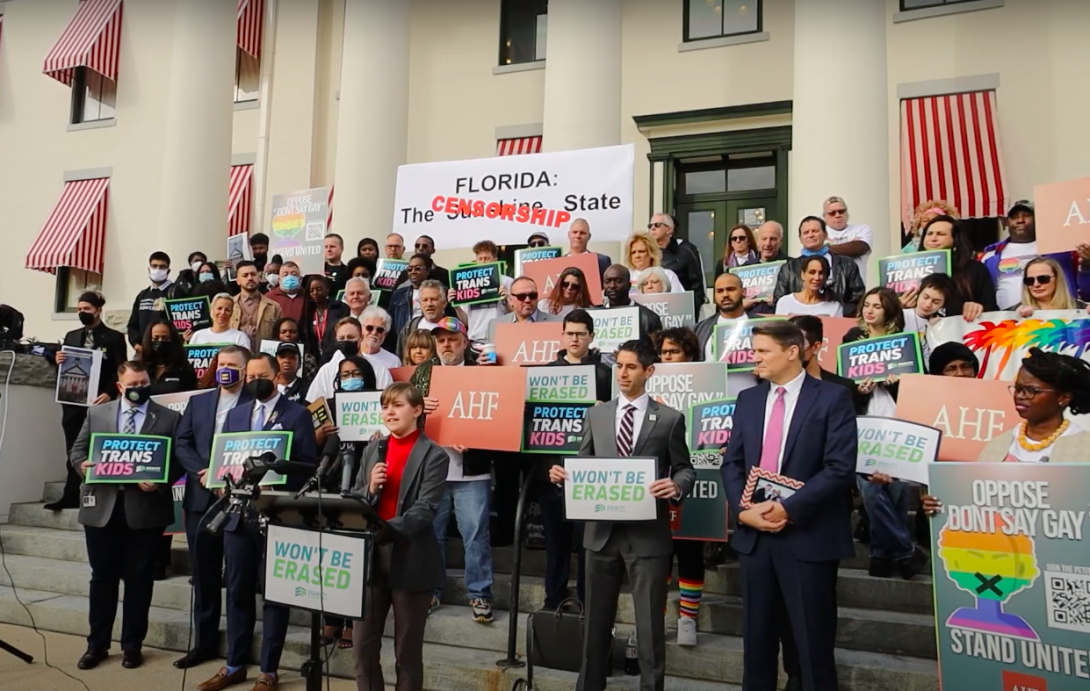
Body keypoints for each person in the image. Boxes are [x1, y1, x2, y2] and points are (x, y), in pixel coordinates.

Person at [548, 339, 694, 691]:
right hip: (600, 534)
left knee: (649, 627)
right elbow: (582, 463)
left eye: (631, 367)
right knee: (595, 624)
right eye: (619, 367)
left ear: (649, 371)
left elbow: (685, 469)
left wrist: (675, 486)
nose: (623, 373)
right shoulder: (596, 414)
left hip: (647, 537)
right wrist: (562, 477)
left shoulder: (670, 419)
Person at [721, 321, 857, 691]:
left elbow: (840, 468)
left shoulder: (832, 397)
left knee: (812, 648)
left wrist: (789, 508)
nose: (755, 358)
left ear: (792, 352)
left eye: (763, 351)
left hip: (808, 538)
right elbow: (732, 463)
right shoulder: (748, 400)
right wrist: (742, 510)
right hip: (755, 538)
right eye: (754, 350)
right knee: (757, 646)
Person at [200, 353, 318, 691]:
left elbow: (308, 464)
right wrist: (218, 474)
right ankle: (235, 664)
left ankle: (269, 670)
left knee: (274, 595)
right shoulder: (236, 414)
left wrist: (278, 473)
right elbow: (226, 458)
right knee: (237, 591)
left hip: (278, 516)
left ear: (275, 375)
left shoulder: (296, 414)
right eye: (249, 375)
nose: (254, 380)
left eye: (260, 374)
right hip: (238, 517)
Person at [69, 361, 183, 670]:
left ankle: (133, 645)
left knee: (139, 580)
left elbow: (177, 461)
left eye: (144, 383)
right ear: (120, 387)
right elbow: (77, 452)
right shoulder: (97, 413)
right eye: (133, 385)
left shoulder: (169, 418)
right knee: (102, 578)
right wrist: (82, 467)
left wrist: (160, 480)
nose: (139, 389)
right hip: (102, 509)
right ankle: (97, 645)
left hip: (144, 512)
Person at [350, 382, 449, 691]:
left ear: (417, 411)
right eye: (385, 406)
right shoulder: (372, 449)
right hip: (370, 559)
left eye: (397, 405)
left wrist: (389, 531)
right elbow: (355, 498)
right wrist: (370, 488)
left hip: (410, 556)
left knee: (406, 654)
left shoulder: (434, 455)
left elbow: (426, 509)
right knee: (362, 648)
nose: (389, 412)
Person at [922, 350, 1090, 521]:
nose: (1020, 396)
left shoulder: (1084, 448)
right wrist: (941, 505)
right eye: (1018, 388)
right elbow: (975, 504)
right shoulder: (998, 445)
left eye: (1031, 390)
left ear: (1063, 398)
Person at [174, 345, 252, 670]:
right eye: (222, 364)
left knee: (238, 580)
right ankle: (203, 644)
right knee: (204, 578)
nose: (225, 370)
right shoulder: (199, 401)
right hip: (201, 500)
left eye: (233, 365)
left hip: (241, 502)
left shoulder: (255, 403)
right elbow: (182, 441)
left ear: (245, 371)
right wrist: (203, 472)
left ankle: (238, 651)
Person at [416, 318, 495, 623]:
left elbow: (496, 416)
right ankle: (432, 589)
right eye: (441, 340)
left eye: (452, 339)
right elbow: (403, 414)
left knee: (475, 534)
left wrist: (472, 438)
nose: (447, 345)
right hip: (434, 470)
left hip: (472, 470)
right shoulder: (424, 373)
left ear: (465, 342)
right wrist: (420, 406)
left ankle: (479, 594)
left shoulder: (483, 372)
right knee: (431, 534)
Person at [535, 309, 612, 610]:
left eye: (581, 333)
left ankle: (585, 603)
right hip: (553, 472)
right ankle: (552, 601)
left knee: (586, 545)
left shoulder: (605, 375)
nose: (575, 338)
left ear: (591, 336)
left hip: (590, 474)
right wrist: (546, 470)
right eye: (570, 333)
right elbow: (537, 429)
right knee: (556, 545)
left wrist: (602, 411)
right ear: (562, 335)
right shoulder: (546, 373)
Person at [650, 328, 709, 647]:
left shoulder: (706, 382)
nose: (666, 358)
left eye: (673, 352)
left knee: (689, 550)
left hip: (696, 475)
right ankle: (656, 615)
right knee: (657, 555)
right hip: (656, 479)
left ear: (689, 353)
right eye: (663, 352)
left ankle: (688, 618)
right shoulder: (650, 385)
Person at [46, 292, 127, 511]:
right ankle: (70, 494)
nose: (83, 313)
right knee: (73, 448)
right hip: (73, 402)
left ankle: (101, 495)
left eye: (87, 309)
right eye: (79, 309)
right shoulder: (71, 336)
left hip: (100, 401)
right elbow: (65, 365)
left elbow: (120, 369)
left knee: (98, 447)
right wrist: (58, 360)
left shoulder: (114, 337)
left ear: (98, 310)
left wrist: (111, 393)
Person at [981, 199, 1090, 310]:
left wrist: (1087, 264)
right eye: (1014, 217)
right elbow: (984, 297)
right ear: (1007, 222)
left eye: (1026, 215)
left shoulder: (1060, 251)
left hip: (1060, 319)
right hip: (1010, 321)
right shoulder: (991, 257)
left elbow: (1086, 290)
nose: (1020, 220)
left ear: (1038, 219)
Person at [774, 216, 866, 317]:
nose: (811, 235)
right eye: (806, 232)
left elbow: (857, 296)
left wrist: (837, 314)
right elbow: (780, 298)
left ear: (825, 234)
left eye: (815, 231)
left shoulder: (847, 264)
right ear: (800, 238)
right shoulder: (788, 268)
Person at [917, 215, 997, 319]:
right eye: (929, 234)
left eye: (941, 234)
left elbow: (992, 309)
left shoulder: (975, 269)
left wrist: (978, 308)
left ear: (955, 239)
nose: (933, 238)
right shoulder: (909, 268)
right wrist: (899, 304)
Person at [844, 288, 905, 417]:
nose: (869, 311)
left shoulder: (903, 341)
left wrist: (895, 386)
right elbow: (842, 380)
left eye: (877, 307)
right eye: (866, 305)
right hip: (862, 411)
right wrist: (859, 391)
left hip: (893, 410)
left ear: (889, 311)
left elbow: (917, 387)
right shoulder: (852, 337)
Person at [789, 316, 866, 414]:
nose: (791, 352)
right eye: (784, 345)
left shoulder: (842, 387)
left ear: (816, 347)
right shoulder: (771, 385)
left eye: (798, 345)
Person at [306, 317, 392, 403]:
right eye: (341, 338)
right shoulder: (326, 370)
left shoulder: (379, 369)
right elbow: (314, 403)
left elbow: (388, 400)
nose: (346, 341)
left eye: (351, 337)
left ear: (361, 337)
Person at [648, 213, 707, 311]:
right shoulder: (646, 253)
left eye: (657, 225)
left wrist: (691, 309)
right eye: (650, 226)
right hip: (653, 309)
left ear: (669, 229)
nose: (652, 228)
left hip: (680, 311)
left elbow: (697, 287)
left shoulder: (686, 253)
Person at [459, 240, 513, 344]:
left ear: (495, 260)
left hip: (500, 339)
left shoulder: (507, 282)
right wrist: (455, 306)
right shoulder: (467, 283)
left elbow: (516, 314)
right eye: (480, 259)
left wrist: (505, 300)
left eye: (487, 258)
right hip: (474, 340)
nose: (483, 262)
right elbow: (466, 320)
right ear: (476, 260)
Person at [127, 251, 181, 350]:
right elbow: (132, 324)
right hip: (143, 350)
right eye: (154, 266)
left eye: (162, 267)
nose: (158, 269)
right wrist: (136, 345)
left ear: (168, 271)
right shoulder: (142, 295)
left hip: (167, 350)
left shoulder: (177, 292)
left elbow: (182, 322)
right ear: (149, 269)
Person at [601, 265, 663, 347]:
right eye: (607, 281)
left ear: (629, 285)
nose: (612, 286)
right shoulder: (594, 317)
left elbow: (655, 353)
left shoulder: (649, 318)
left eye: (618, 281)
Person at [486, 276, 561, 341]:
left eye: (532, 295)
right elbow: (490, 354)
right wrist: (484, 357)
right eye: (521, 296)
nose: (527, 300)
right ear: (511, 300)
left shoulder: (558, 323)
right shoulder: (495, 325)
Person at [230, 260, 283, 351]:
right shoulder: (229, 305)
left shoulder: (274, 307)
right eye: (245, 275)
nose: (250, 278)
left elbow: (280, 336)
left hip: (264, 358)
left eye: (253, 274)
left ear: (258, 277)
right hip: (236, 358)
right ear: (238, 280)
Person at [398, 279, 460, 354]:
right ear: (420, 304)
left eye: (434, 299)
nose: (429, 304)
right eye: (425, 300)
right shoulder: (409, 328)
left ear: (444, 303)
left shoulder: (455, 327)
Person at [695, 272, 747, 361]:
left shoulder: (762, 324)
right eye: (719, 291)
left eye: (731, 289)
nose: (725, 295)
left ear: (743, 292)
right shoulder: (699, 329)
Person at [1016, 257, 1090, 317]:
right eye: (1030, 280)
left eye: (1043, 279)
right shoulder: (1011, 313)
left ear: (1057, 279)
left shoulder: (1081, 309)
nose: (1036, 284)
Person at [140, 318, 199, 394]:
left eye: (165, 338)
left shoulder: (184, 368)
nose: (160, 341)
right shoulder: (139, 367)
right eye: (155, 338)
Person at [774, 255, 844, 317]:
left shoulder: (835, 306)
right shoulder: (785, 302)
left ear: (826, 277)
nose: (817, 277)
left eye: (821, 273)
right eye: (812, 272)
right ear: (803, 275)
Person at [822, 196, 874, 279]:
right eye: (832, 213)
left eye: (841, 211)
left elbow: (860, 248)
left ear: (847, 213)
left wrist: (824, 249)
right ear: (824, 216)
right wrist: (850, 244)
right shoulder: (819, 233)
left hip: (856, 287)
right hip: (827, 287)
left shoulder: (861, 229)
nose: (838, 215)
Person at [304, 274, 351, 362]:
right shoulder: (308, 311)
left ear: (327, 289)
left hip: (336, 355)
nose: (315, 293)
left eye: (319, 289)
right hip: (315, 357)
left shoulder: (340, 308)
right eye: (311, 290)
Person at [389, 254, 435, 341]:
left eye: (417, 269)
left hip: (429, 339)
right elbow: (390, 320)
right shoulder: (399, 294)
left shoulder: (436, 292)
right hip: (404, 340)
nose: (413, 271)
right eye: (410, 269)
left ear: (428, 271)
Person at [360, 305, 402, 370]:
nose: (374, 332)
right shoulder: (346, 354)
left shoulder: (393, 361)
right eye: (369, 328)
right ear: (360, 329)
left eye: (380, 330)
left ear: (385, 334)